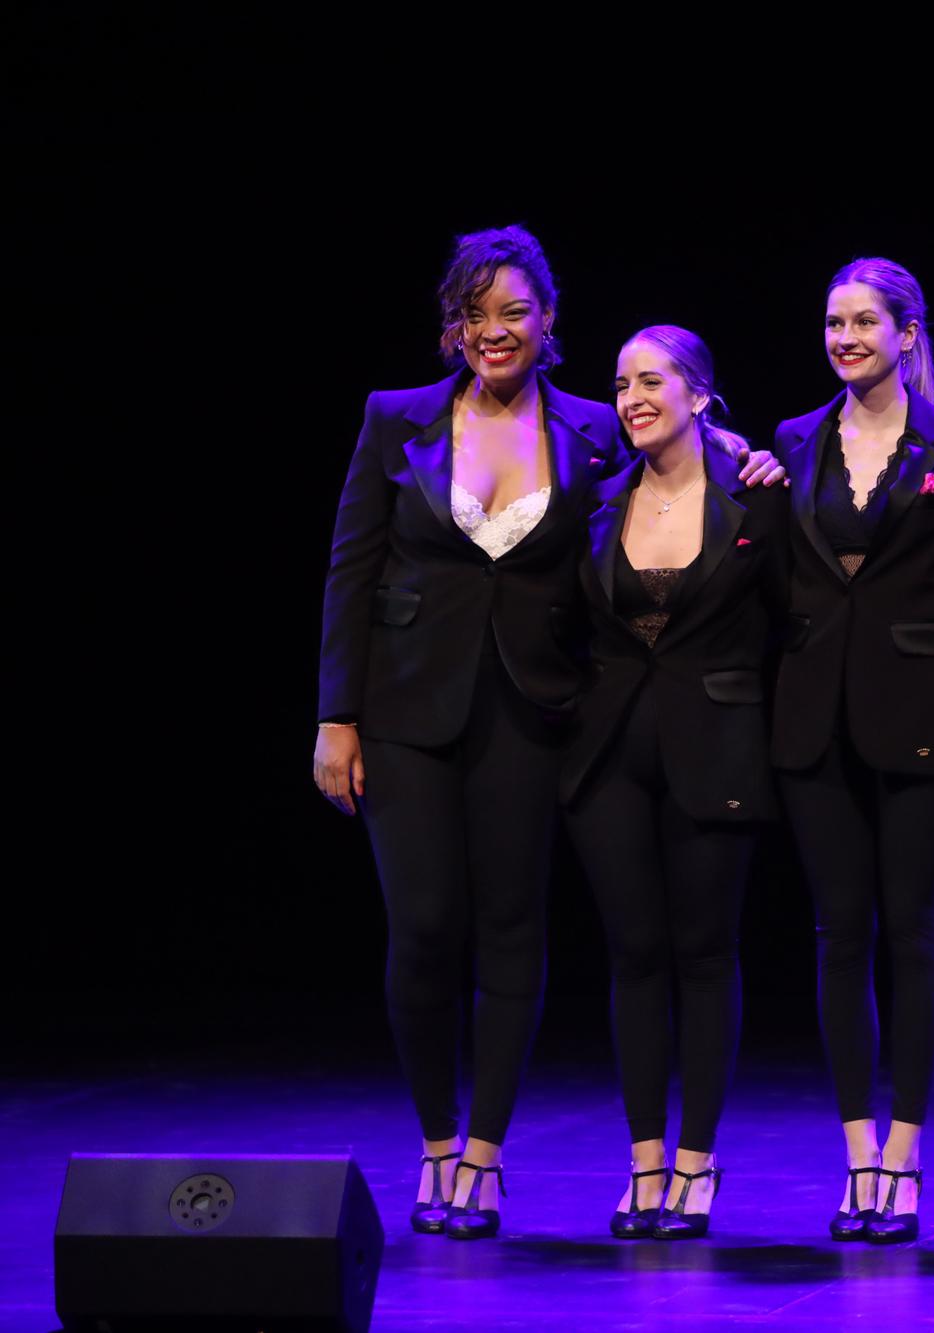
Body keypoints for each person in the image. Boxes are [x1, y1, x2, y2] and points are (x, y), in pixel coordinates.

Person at [313, 227, 781, 1241]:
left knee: (513, 928)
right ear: (453, 326)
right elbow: (351, 568)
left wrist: (748, 453)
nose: (495, 331)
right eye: (476, 314)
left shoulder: (591, 429)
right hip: (403, 712)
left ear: (547, 322)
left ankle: (482, 1156)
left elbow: (679, 459)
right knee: (426, 926)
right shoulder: (395, 421)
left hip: (538, 711)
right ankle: (434, 1141)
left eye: (514, 312)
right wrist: (334, 714)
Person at [771, 258, 934, 1243]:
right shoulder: (791, 441)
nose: (845, 337)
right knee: (836, 934)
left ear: (906, 333)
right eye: (833, 322)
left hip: (922, 716)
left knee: (912, 931)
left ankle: (904, 1155)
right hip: (813, 717)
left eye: (865, 321)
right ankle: (856, 1151)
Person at [560, 326, 790, 1241]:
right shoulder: (599, 498)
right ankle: (645, 1158)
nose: (631, 397)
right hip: (609, 752)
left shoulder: (755, 497)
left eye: (651, 380)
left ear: (700, 394)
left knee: (702, 952)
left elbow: (790, 623)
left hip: (717, 749)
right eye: (620, 384)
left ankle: (697, 1159)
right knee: (634, 955)